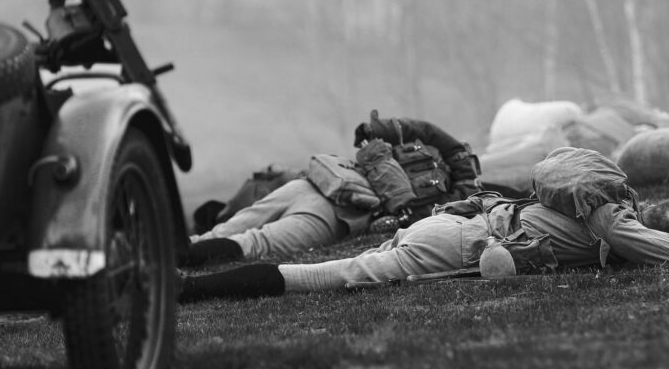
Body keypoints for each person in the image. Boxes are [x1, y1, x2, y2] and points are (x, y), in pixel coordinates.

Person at [178, 149, 669, 302]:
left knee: (290, 253)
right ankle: (185, 291)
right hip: (461, 244)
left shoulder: (594, 205)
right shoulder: (612, 220)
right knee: (325, 276)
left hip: (455, 226)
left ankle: (183, 278)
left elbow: (656, 242)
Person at [183, 114, 483, 267]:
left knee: (253, 243)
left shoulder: (451, 198)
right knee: (227, 230)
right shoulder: (421, 145)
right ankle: (168, 254)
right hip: (317, 184)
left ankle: (172, 259)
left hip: (341, 214)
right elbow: (425, 131)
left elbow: (440, 211)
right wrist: (379, 130)